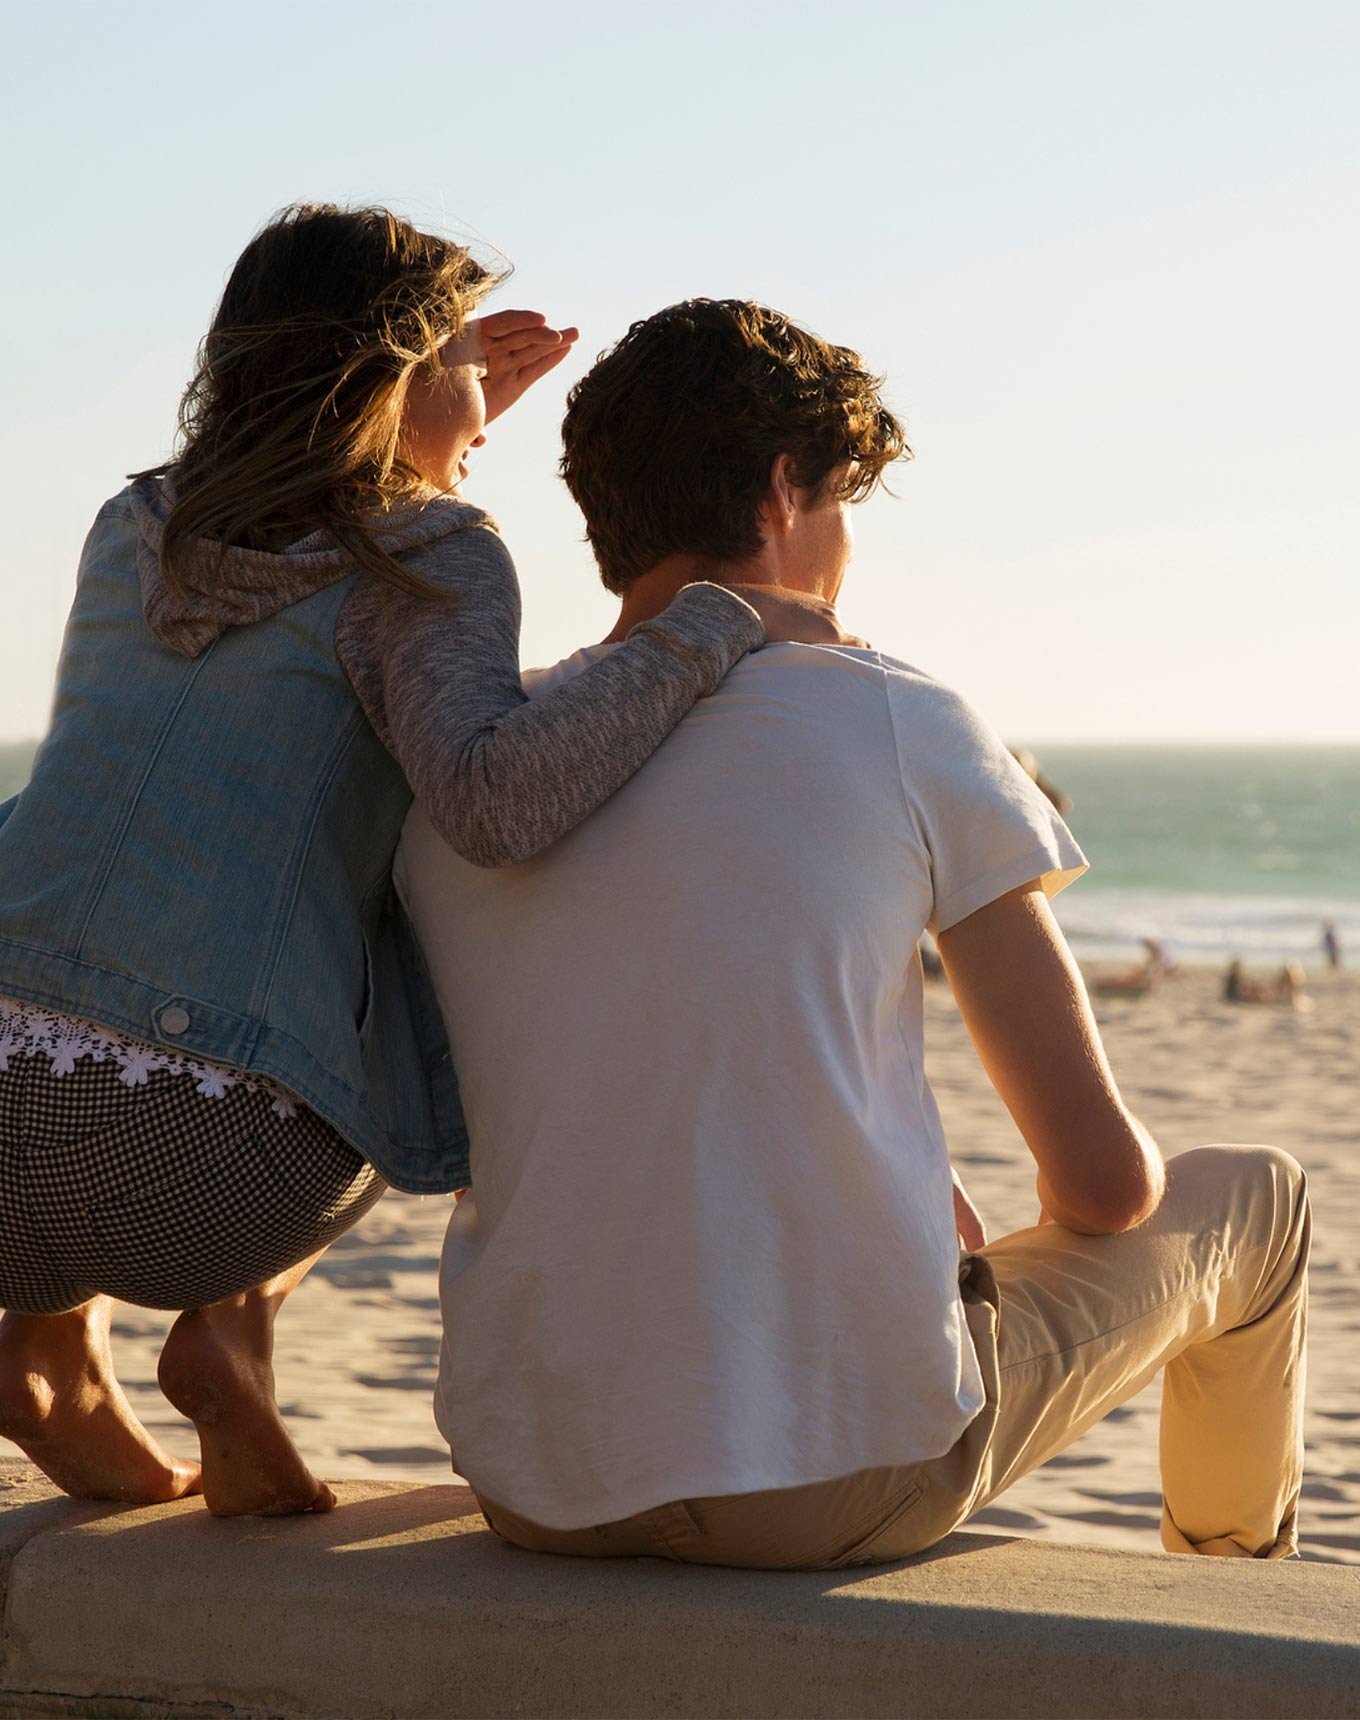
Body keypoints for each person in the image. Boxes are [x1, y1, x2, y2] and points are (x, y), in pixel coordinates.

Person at [401, 298, 1310, 1569]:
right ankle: (1239, 1591)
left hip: (537, 1481)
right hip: (827, 1479)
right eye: (840, 505)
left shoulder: (471, 773)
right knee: (1255, 1199)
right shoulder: (891, 714)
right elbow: (1102, 1186)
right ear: (783, 494)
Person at [0, 211, 838, 1518]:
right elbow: (495, 800)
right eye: (455, 358)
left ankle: (44, 1343)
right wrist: (704, 627)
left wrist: (443, 404)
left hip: (5, 1122)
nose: (486, 400)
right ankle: (226, 1329)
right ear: (387, 385)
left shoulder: (138, 523)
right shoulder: (437, 553)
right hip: (202, 1169)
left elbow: (299, 512)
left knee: (139, 877)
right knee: (415, 914)